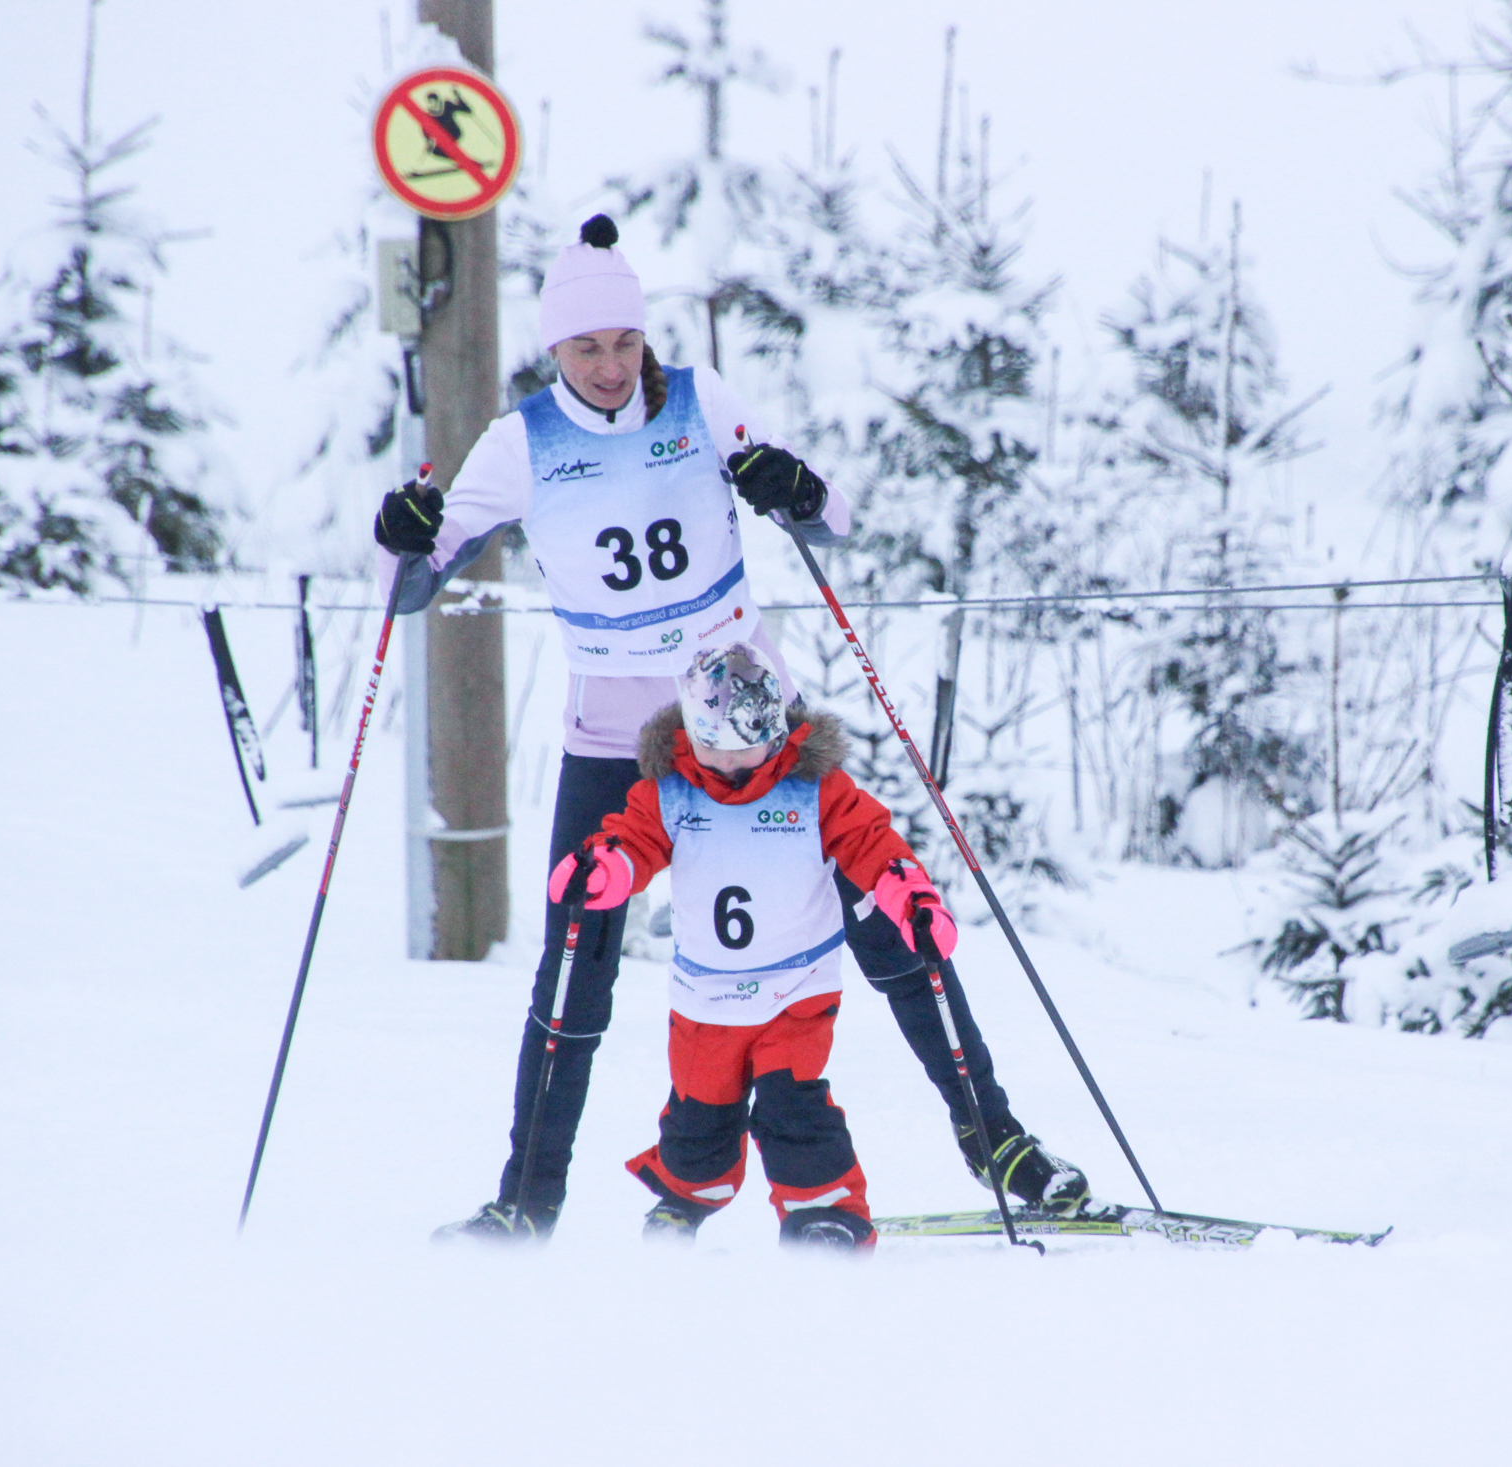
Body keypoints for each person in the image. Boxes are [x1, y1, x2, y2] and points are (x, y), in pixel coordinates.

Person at [376, 214, 1088, 1241]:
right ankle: (525, 1202)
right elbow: (410, 582)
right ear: (554, 350)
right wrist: (402, 536)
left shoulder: (701, 402)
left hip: (754, 720)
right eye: (587, 347)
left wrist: (795, 487)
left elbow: (830, 519)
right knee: (575, 958)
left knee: (886, 915)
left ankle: (998, 1141)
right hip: (616, 739)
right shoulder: (521, 443)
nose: (612, 364)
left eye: (625, 341)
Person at [552, 643, 956, 1251]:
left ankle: (826, 1212)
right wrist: (605, 868)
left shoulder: (813, 789)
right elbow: (631, 840)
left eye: (748, 744)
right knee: (699, 1117)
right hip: (705, 996)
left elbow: (872, 844)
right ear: (691, 732)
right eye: (714, 745)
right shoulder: (670, 791)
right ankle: (688, 1192)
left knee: (794, 1105)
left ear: (774, 730)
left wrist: (910, 897)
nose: (733, 764)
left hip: (796, 988)